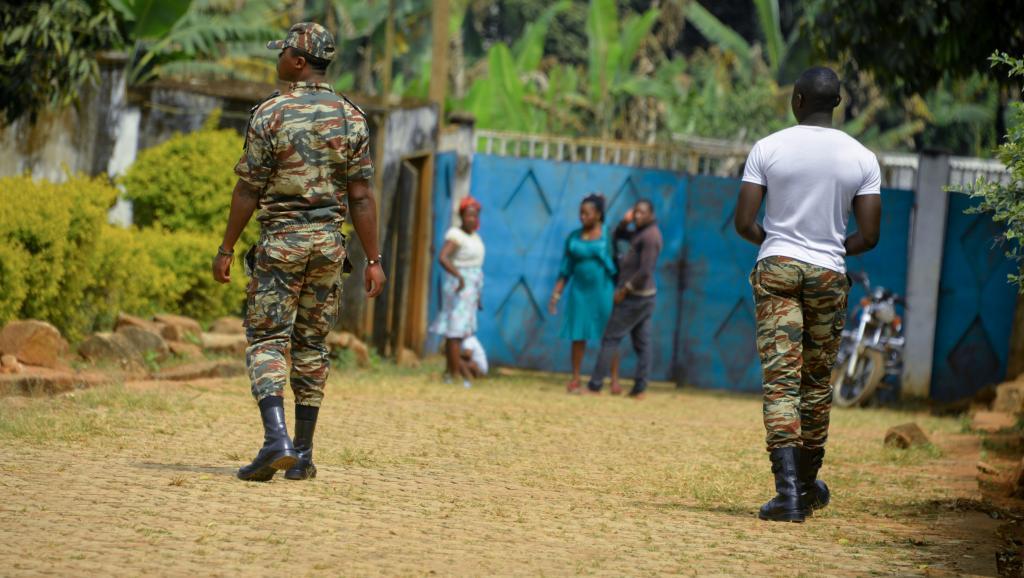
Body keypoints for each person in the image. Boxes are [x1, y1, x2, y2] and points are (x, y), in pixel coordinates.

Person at [212, 22, 386, 482]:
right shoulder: (352, 117)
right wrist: (373, 259)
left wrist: (226, 247)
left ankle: (276, 440)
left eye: (282, 52)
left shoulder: (270, 113)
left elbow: (248, 189)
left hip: (282, 243)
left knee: (267, 340)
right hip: (330, 246)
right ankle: (303, 455)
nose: (278, 59)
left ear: (297, 61)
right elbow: (362, 195)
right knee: (312, 344)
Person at [734, 66, 881, 522]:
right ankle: (806, 486)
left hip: (776, 266)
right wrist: (831, 247)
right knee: (815, 384)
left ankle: (788, 496)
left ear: (797, 99)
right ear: (837, 103)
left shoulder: (769, 148)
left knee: (781, 381)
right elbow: (869, 235)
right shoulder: (862, 158)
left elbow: (743, 222)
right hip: (828, 274)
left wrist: (778, 246)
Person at [584, 199, 663, 399]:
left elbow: (645, 271)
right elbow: (616, 236)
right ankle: (639, 389)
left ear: (651, 214)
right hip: (643, 297)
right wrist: (623, 222)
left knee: (610, 339)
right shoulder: (640, 232)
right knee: (642, 344)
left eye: (642, 213)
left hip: (635, 298)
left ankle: (595, 385)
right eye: (635, 212)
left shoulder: (651, 236)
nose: (637, 216)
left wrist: (625, 290)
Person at [548, 194, 621, 394]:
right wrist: (556, 295)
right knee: (578, 334)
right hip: (579, 293)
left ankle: (614, 380)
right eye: (580, 213)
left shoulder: (608, 235)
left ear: (598, 215)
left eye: (586, 213)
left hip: (603, 292)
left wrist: (621, 290)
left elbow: (619, 262)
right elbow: (565, 269)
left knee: (609, 336)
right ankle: (576, 378)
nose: (582, 217)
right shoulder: (573, 237)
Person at [431, 197, 485, 388]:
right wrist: (459, 277)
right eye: (469, 214)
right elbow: (443, 257)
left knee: (461, 332)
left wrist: (478, 295)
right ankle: (453, 374)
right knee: (454, 331)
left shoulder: (475, 236)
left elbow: (476, 267)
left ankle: (450, 372)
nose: (472, 218)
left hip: (471, 290)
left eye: (475, 215)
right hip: (459, 288)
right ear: (462, 215)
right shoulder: (456, 234)